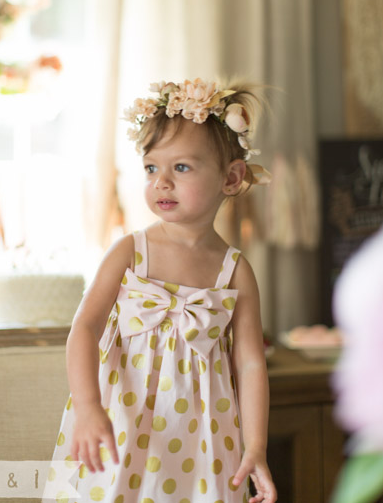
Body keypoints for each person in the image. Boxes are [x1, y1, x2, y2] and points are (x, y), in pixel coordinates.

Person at [43, 78, 277, 503]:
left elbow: (250, 366)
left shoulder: (235, 271)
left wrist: (255, 446)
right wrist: (88, 406)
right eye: (152, 168)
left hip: (205, 436)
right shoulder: (131, 252)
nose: (161, 182)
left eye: (181, 168)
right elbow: (84, 329)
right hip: (121, 424)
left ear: (231, 177)